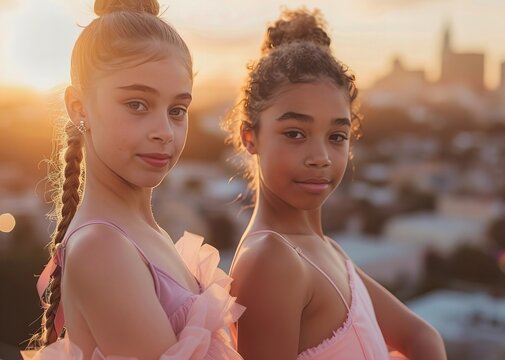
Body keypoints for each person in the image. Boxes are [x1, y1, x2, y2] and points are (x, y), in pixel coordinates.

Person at [222, 8, 447, 360]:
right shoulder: (271, 260)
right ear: (250, 137)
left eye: (337, 136)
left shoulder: (327, 250)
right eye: (295, 133)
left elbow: (422, 337)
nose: (321, 157)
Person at [28, 0, 244, 359]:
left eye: (177, 110)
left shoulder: (145, 234)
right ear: (79, 107)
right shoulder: (102, 247)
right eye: (137, 105)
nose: (164, 132)